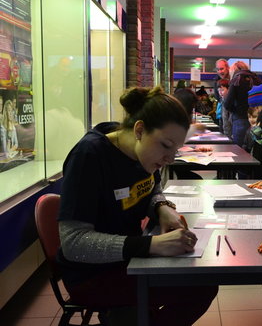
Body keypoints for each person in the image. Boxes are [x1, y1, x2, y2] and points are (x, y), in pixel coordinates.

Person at [57, 86, 218, 325]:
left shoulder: (139, 151)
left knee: (202, 281)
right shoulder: (89, 156)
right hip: (92, 274)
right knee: (199, 288)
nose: (170, 159)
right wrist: (149, 245)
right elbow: (74, 243)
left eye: (176, 150)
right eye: (165, 146)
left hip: (131, 260)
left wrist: (161, 207)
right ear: (140, 129)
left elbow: (152, 187)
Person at [223, 61, 262, 149]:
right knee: (252, 149)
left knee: (239, 151)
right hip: (257, 120)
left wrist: (235, 110)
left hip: (240, 119)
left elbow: (227, 104)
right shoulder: (257, 79)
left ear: (233, 71)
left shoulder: (236, 80)